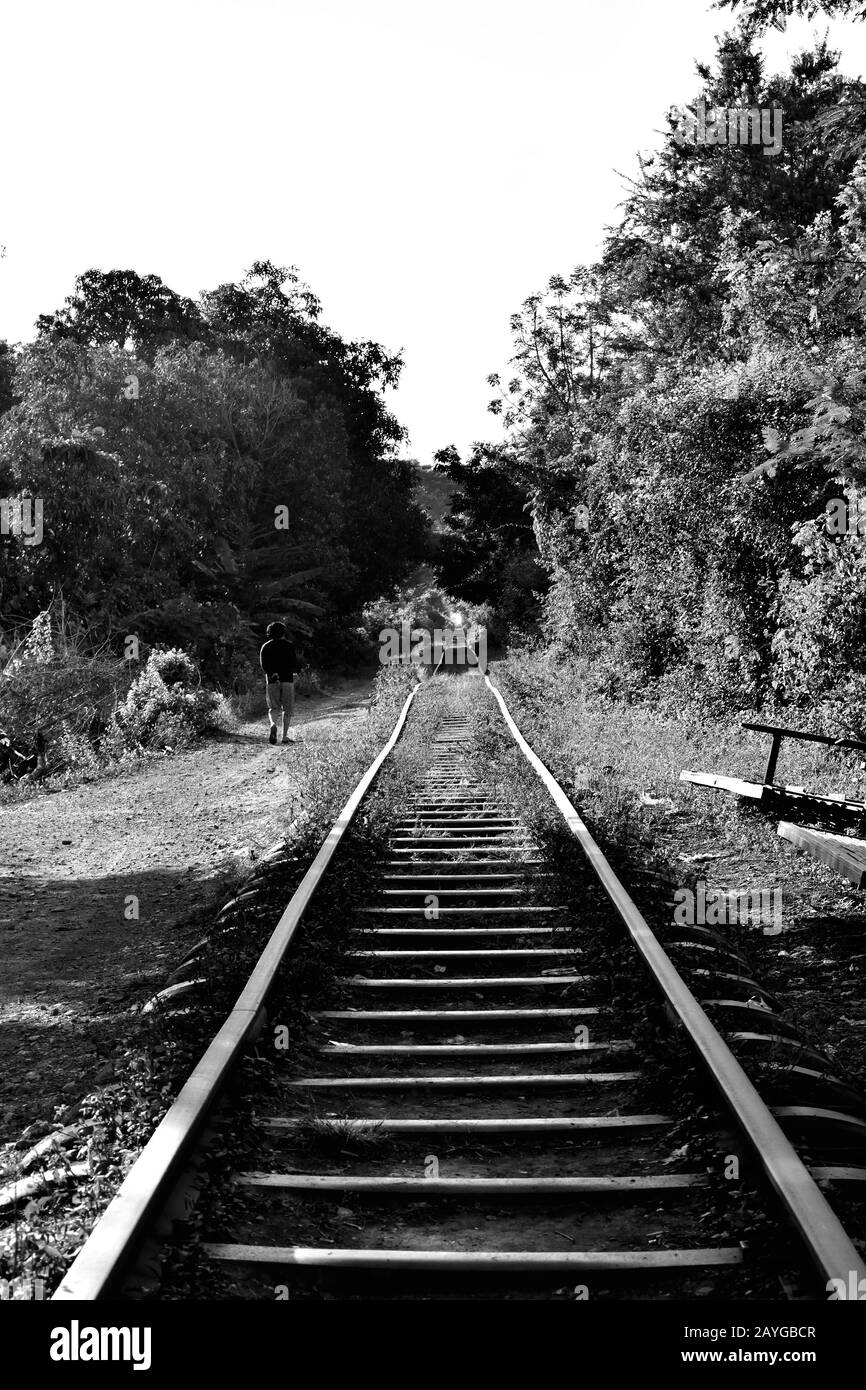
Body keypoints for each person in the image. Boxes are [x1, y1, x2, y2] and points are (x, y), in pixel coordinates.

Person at [259, 621, 297, 745]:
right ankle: (285, 736)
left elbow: (263, 665)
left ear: (270, 632)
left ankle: (273, 724)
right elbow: (293, 662)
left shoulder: (265, 646)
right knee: (287, 709)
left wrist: (272, 674)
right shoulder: (289, 645)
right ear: (283, 632)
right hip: (287, 680)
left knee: (273, 708)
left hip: (272, 681)